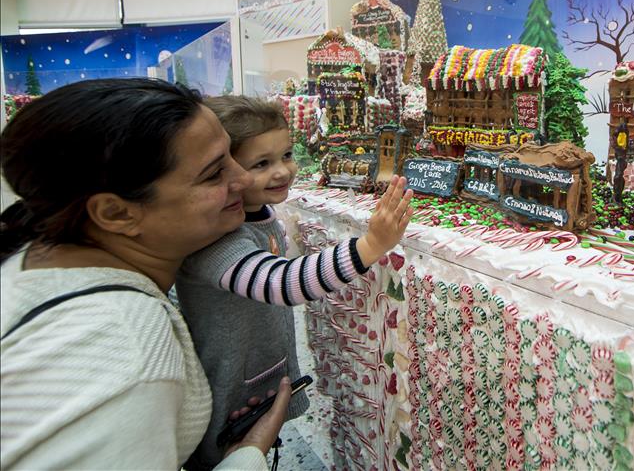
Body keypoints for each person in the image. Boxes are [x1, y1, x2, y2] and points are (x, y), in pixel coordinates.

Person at [0, 78, 290, 470]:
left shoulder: (35, 256)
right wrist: (244, 461)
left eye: (232, 157)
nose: (241, 179)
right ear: (116, 213)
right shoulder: (127, 355)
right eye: (213, 173)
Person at [175, 96, 413, 470]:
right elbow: (281, 283)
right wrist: (369, 246)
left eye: (286, 155)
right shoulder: (216, 241)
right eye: (261, 164)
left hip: (255, 383)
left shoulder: (258, 216)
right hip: (225, 397)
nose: (283, 171)